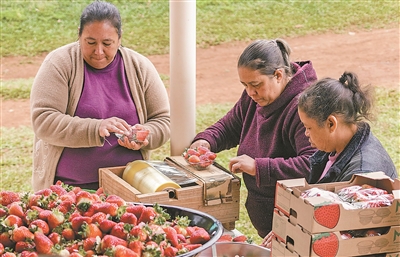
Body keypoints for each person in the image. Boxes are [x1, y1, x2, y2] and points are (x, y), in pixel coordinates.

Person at [30, 1, 170, 191]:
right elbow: (43, 121)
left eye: (107, 43)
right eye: (90, 42)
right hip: (70, 189)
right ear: (79, 34)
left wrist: (144, 135)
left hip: (131, 186)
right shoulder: (59, 63)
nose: (98, 51)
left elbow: (163, 121)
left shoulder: (140, 66)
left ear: (119, 38)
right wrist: (96, 127)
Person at [189, 38, 318, 238]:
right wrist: (206, 141)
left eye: (255, 84)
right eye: (245, 85)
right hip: (269, 222)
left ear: (278, 75)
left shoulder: (304, 107)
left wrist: (259, 167)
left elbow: (312, 165)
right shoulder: (254, 96)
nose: (250, 92)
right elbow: (230, 126)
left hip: (295, 223)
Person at [261, 71, 397, 248]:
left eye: (308, 127)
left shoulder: (363, 173)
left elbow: (347, 236)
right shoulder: (336, 146)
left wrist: (294, 232)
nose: (306, 134)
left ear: (331, 124)